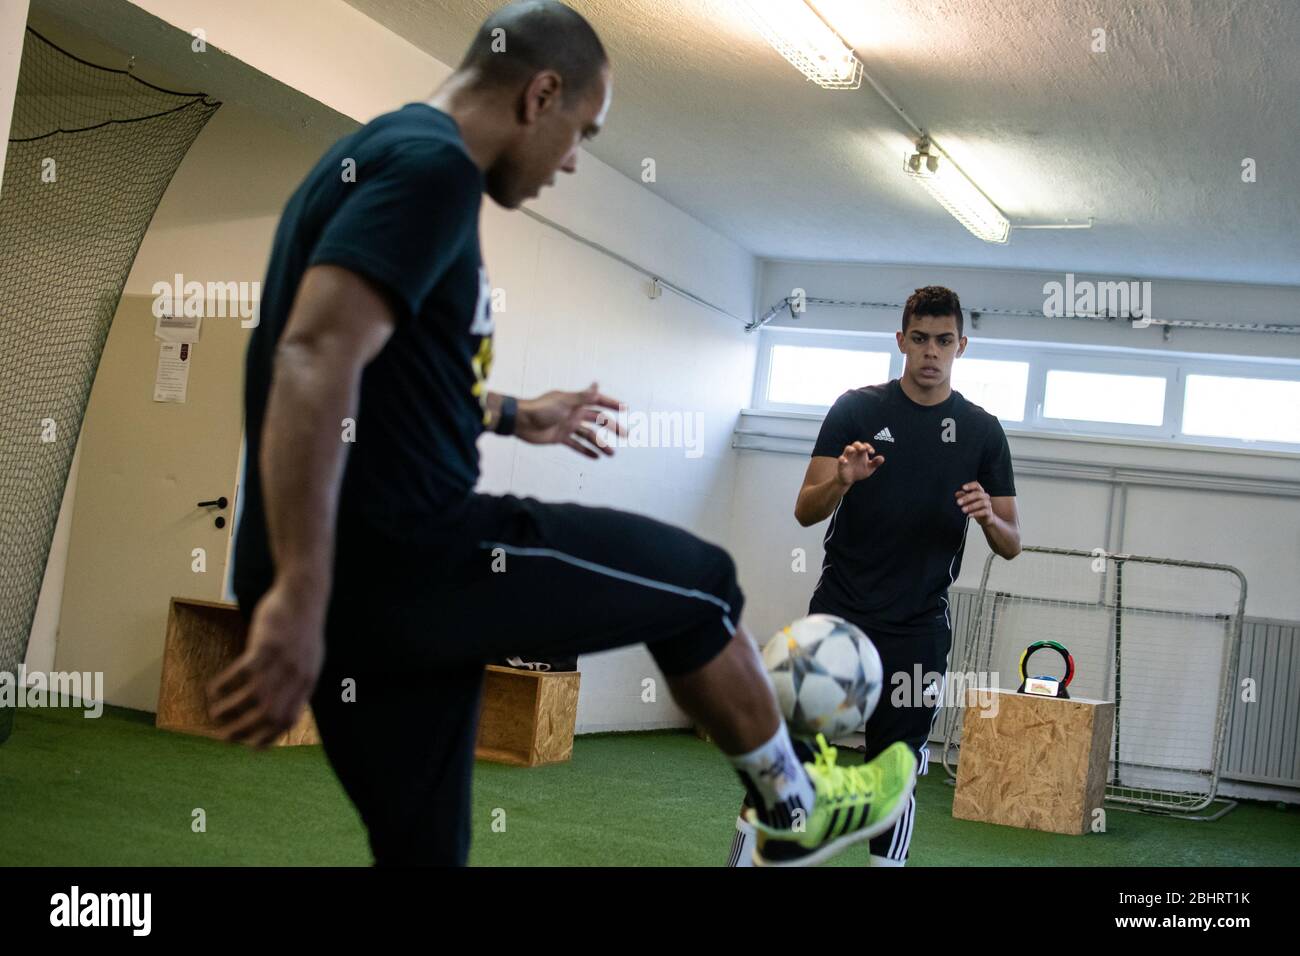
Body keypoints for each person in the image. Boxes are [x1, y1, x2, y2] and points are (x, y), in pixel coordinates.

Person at [209, 0, 915, 867]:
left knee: (422, 850)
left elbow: (382, 378)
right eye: (582, 131)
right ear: (541, 93)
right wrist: (300, 598)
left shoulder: (380, 154)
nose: (574, 160)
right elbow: (314, 358)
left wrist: (513, 414)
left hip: (359, 590)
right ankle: (792, 802)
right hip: (403, 556)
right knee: (701, 585)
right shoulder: (431, 170)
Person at [728, 285, 1021, 867]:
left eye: (943, 341)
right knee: (788, 760)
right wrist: (841, 479)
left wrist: (989, 515)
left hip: (918, 629)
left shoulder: (982, 430)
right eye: (919, 339)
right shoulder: (857, 410)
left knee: (892, 773)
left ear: (961, 345)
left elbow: (1012, 543)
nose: (930, 352)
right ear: (900, 342)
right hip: (837, 622)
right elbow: (805, 510)